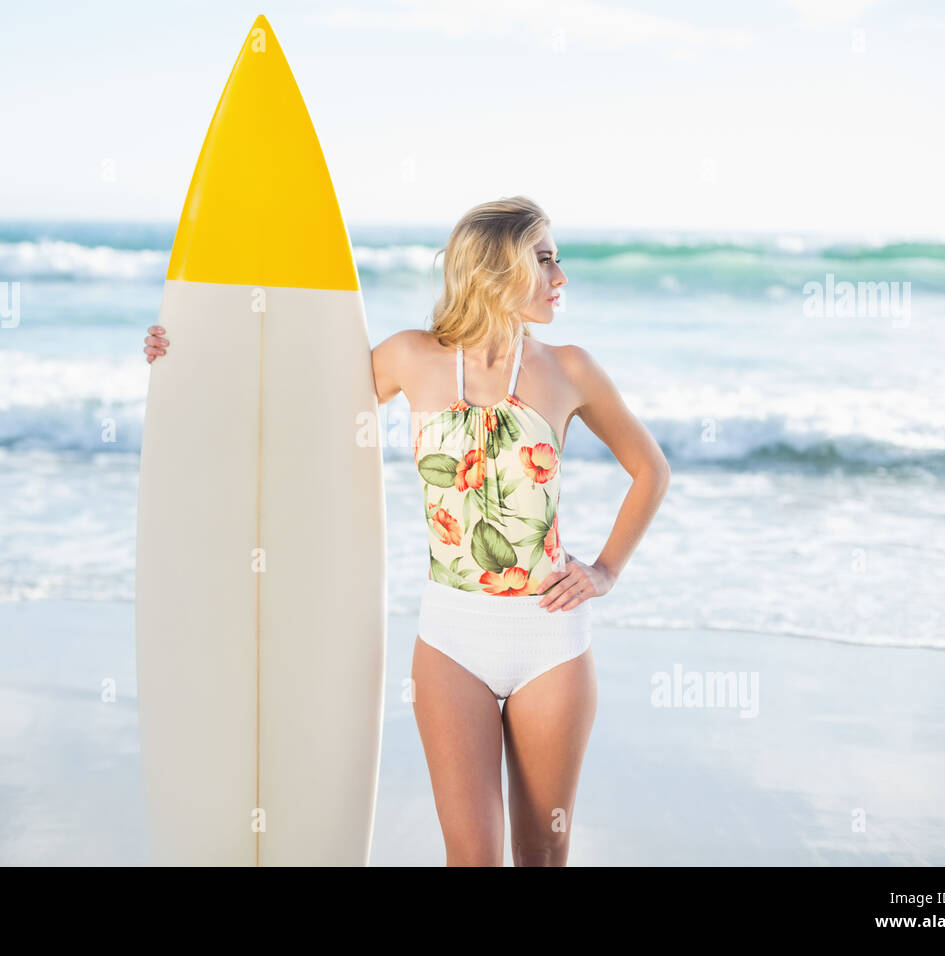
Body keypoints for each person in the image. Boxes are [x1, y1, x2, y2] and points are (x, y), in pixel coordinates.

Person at [143, 196, 669, 865]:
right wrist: (182, 356)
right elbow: (291, 401)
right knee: (472, 857)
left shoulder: (570, 369)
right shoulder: (409, 358)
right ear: (496, 264)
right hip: (451, 641)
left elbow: (650, 470)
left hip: (552, 642)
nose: (561, 277)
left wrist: (604, 570)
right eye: (545, 260)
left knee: (541, 856)